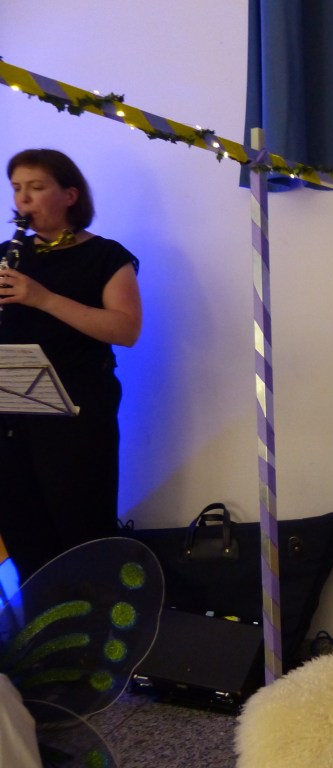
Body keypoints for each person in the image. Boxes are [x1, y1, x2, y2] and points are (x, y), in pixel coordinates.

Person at [0, 149, 141, 583]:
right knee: (23, 532)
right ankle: (43, 621)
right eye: (17, 189)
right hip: (11, 416)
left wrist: (42, 298)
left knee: (83, 532)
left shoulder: (106, 256)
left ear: (70, 195)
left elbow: (126, 330)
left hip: (78, 413)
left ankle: (95, 622)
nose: (24, 199)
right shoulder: (7, 255)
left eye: (36, 187)